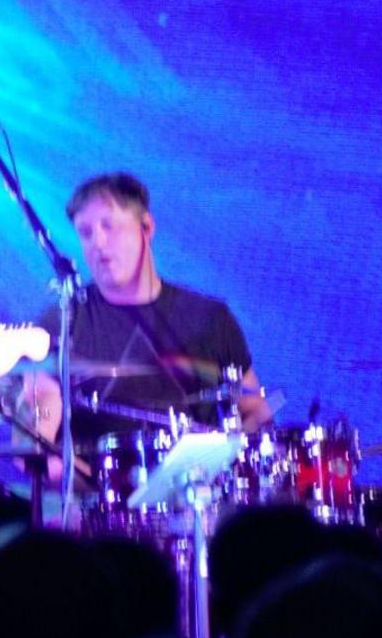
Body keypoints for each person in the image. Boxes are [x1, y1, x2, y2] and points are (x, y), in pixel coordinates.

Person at [14, 172, 271, 472]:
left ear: (146, 228)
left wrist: (227, 466)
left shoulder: (210, 318)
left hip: (203, 500)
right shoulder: (60, 324)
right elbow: (34, 443)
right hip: (99, 509)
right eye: (85, 233)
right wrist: (90, 482)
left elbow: (255, 413)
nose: (98, 242)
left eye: (109, 227)